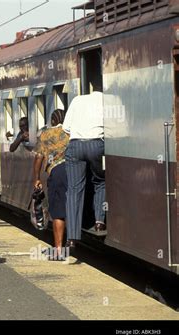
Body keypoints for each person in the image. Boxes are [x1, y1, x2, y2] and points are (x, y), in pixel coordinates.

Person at [63, 89, 106, 249]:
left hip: (75, 145)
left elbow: (66, 128)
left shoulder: (77, 100)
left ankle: (72, 237)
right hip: (97, 144)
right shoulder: (107, 101)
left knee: (74, 189)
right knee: (101, 181)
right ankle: (99, 222)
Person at [32, 109, 69, 260]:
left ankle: (59, 250)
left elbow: (39, 158)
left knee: (58, 212)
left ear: (52, 121)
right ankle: (72, 242)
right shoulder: (70, 132)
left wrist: (37, 178)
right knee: (71, 208)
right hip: (74, 171)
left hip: (57, 173)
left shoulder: (45, 135)